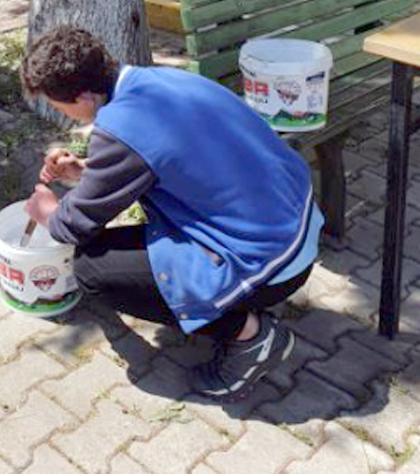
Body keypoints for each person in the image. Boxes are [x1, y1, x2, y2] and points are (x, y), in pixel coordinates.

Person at [21, 25, 323, 402]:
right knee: (123, 247)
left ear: (82, 96)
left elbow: (73, 226)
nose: (59, 112)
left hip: (271, 262)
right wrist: (88, 173)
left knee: (90, 269)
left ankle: (251, 336)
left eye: (57, 104)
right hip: (298, 224)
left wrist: (47, 212)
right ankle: (238, 306)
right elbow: (164, 159)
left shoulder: (120, 128)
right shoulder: (159, 78)